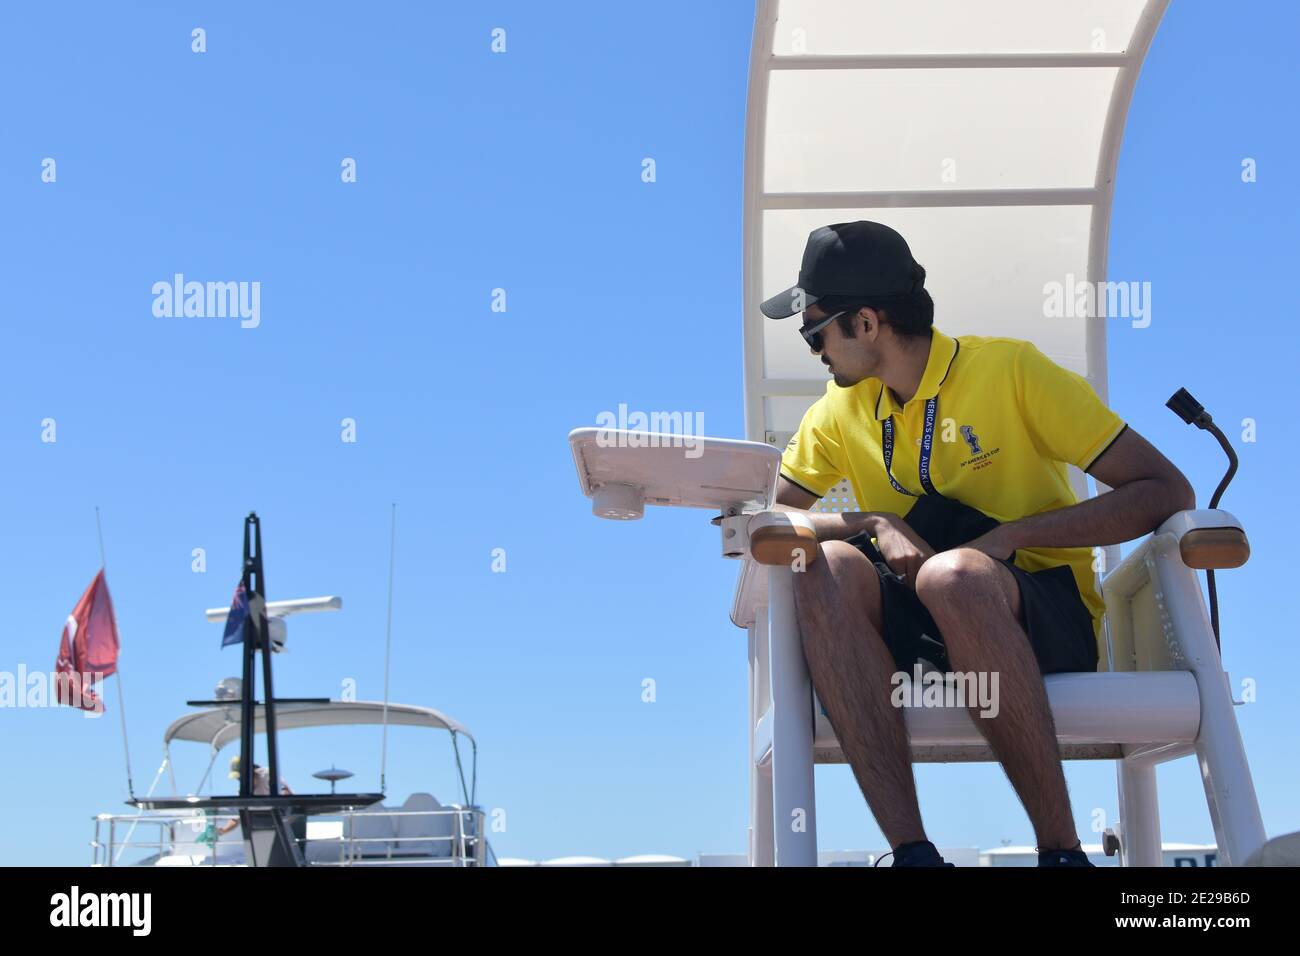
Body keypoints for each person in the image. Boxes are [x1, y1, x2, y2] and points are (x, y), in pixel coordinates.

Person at [760, 221, 1195, 868]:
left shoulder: (1010, 369)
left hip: (1044, 615)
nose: (813, 348)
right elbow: (764, 524)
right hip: (919, 625)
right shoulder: (836, 411)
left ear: (867, 323)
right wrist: (870, 522)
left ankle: (1062, 853)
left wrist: (1015, 537)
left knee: (953, 577)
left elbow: (1166, 489)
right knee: (825, 565)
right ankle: (913, 855)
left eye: (815, 328)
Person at [215, 755, 294, 838]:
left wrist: (274, 805)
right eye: (239, 779)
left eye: (242, 777)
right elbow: (236, 818)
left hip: (288, 821)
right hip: (267, 830)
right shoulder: (242, 793)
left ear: (251, 771)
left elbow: (287, 793)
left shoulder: (267, 775)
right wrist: (223, 831)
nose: (241, 781)